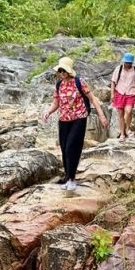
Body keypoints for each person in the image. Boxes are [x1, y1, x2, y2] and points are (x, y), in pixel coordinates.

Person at [42, 56, 108, 191]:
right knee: (64, 148)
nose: (61, 73)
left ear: (69, 71)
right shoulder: (59, 85)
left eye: (63, 71)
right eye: (59, 71)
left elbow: (93, 99)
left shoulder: (79, 82)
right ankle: (68, 177)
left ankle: (72, 179)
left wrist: (102, 116)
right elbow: (56, 102)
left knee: (71, 147)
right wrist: (48, 112)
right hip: (64, 120)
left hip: (79, 118)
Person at [110, 52, 135, 140]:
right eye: (127, 63)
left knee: (129, 111)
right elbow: (113, 81)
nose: (128, 64)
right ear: (124, 62)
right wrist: (112, 93)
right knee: (120, 114)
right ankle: (122, 133)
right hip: (120, 92)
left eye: (130, 63)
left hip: (131, 93)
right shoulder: (118, 69)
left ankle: (127, 129)